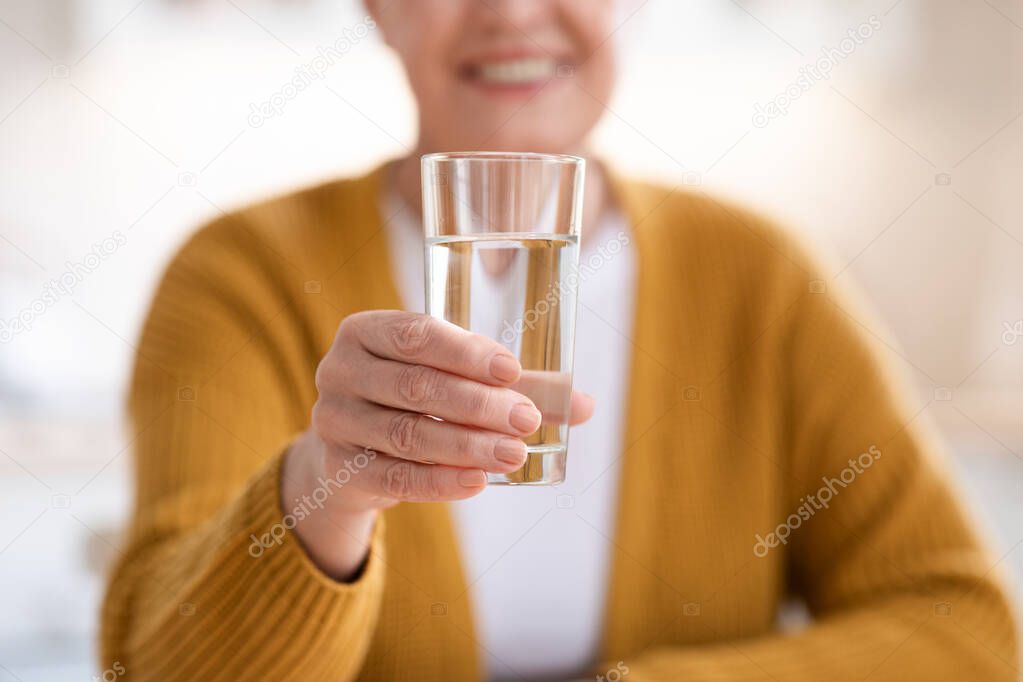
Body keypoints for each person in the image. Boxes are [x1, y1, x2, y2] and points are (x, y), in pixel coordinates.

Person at [101, 1, 1019, 680]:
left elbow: (966, 631)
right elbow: (156, 668)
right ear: (377, 9)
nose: (508, 11)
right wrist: (321, 492)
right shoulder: (240, 276)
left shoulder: (761, 276)